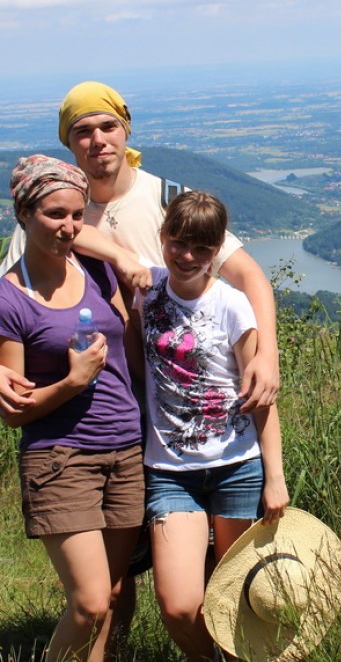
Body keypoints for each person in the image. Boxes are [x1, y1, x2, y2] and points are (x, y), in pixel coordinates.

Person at [0, 80, 280, 418]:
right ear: (69, 142)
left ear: (125, 131)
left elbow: (249, 276)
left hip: (184, 392)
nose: (98, 140)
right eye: (83, 131)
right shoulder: (50, 217)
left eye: (108, 126)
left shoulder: (170, 200)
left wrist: (268, 354)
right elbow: (8, 304)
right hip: (103, 406)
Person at [0, 155, 144, 662]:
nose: (67, 227)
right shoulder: (9, 299)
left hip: (125, 450)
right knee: (86, 602)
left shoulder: (95, 267)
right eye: (54, 214)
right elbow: (15, 412)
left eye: (77, 216)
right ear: (24, 214)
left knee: (108, 595)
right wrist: (71, 382)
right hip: (62, 458)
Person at [132, 190, 288, 662]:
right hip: (169, 471)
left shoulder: (234, 306)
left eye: (201, 248)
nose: (187, 256)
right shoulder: (146, 290)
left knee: (235, 588)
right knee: (179, 603)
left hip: (236, 467)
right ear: (162, 238)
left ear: (217, 249)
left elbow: (260, 396)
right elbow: (89, 236)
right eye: (178, 243)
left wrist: (274, 477)